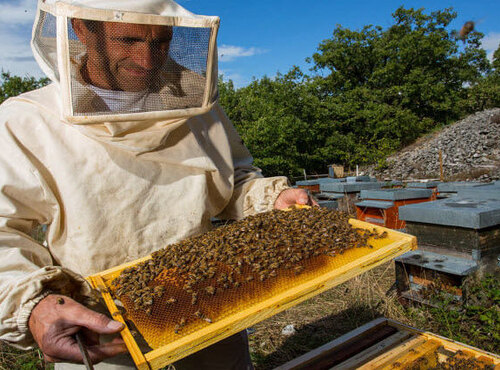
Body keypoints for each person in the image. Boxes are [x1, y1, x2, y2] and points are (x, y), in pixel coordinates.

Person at [0, 0, 315, 369]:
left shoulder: (197, 103)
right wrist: (33, 303)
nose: (148, 59)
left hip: (212, 304)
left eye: (161, 41)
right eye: (129, 39)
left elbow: (235, 179)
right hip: (100, 332)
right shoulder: (24, 122)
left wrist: (272, 198)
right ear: (82, 29)